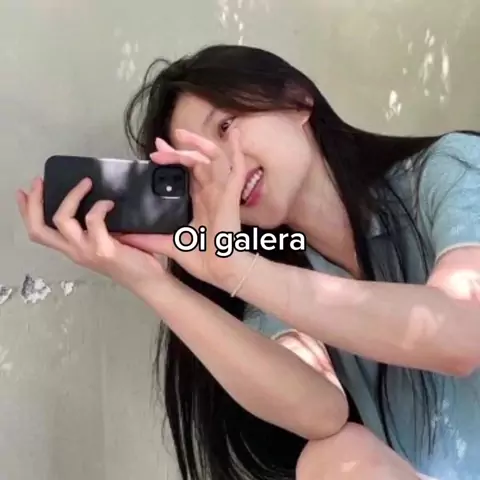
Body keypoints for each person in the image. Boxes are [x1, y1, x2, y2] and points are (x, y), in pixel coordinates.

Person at [16, 44, 480, 480]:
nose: (221, 167)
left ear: (298, 102)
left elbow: (460, 332)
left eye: (224, 127)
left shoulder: (449, 169)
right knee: (333, 455)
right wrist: (154, 285)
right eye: (193, 168)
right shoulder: (274, 272)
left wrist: (238, 269)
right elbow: (320, 412)